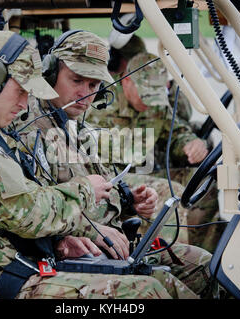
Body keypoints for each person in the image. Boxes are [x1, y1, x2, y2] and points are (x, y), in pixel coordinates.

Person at [0, 30, 182, 299]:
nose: (24, 105)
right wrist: (84, 192)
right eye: (21, 90)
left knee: (158, 278)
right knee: (144, 292)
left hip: (22, 264)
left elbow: (20, 208)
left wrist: (63, 240)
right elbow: (26, 213)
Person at [9, 30, 218, 298]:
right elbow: (32, 208)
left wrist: (130, 200)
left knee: (205, 266)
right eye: (77, 80)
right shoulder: (30, 131)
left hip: (115, 245)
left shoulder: (78, 127)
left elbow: (102, 186)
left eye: (94, 86)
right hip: (82, 254)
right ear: (50, 73)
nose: (85, 94)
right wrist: (89, 231)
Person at [87, 44, 223, 253]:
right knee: (169, 191)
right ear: (127, 81)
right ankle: (173, 259)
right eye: (145, 95)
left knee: (206, 181)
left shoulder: (156, 105)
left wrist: (191, 144)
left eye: (154, 96)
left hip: (143, 172)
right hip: (107, 178)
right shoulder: (98, 104)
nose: (149, 103)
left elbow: (176, 131)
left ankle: (205, 257)